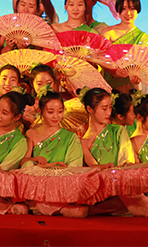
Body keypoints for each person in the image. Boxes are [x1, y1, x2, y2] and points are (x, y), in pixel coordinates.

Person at [79, 87, 148, 217]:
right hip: (105, 185)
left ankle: (140, 205)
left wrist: (123, 166)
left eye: (110, 108)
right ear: (90, 109)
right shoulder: (84, 142)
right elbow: (92, 167)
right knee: (116, 182)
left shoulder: (118, 130)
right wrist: (106, 167)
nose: (108, 112)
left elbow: (126, 159)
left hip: (123, 181)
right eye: (104, 109)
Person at [19, 88, 87, 217]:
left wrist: (55, 168)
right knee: (27, 166)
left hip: (59, 182)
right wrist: (37, 160)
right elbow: (24, 162)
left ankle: (43, 207)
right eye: (50, 112)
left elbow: (74, 168)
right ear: (41, 111)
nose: (56, 116)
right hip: (38, 181)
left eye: (60, 111)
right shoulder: (31, 133)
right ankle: (54, 208)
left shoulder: (70, 137)